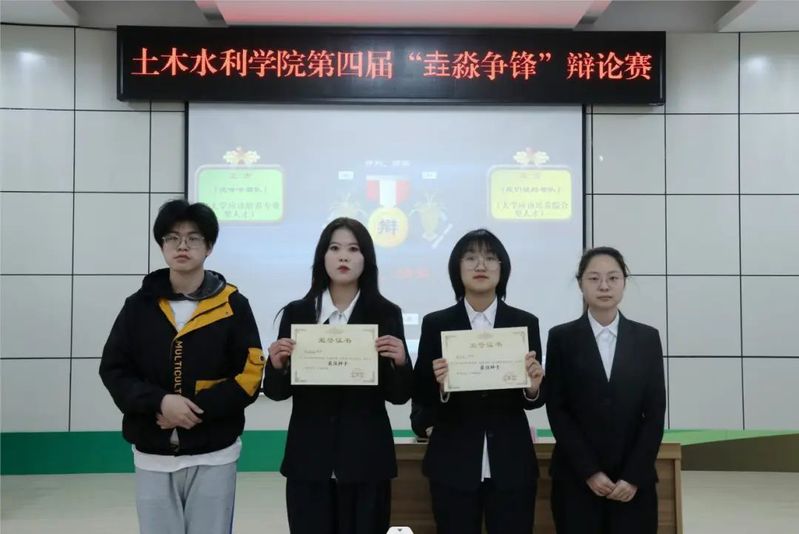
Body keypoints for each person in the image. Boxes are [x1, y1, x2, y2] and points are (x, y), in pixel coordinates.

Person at [99, 199, 265, 534]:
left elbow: (250, 374)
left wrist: (192, 410)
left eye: (193, 238)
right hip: (153, 452)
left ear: (209, 247)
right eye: (172, 238)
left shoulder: (232, 305)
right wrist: (160, 402)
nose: (182, 246)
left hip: (214, 452)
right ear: (162, 245)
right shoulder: (139, 306)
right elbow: (114, 369)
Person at [263, 217, 412, 534]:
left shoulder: (386, 313)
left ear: (366, 259)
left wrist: (400, 363)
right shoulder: (298, 313)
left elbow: (399, 396)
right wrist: (276, 365)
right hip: (309, 459)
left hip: (367, 460)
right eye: (335, 248)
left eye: (353, 249)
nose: (343, 256)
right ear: (322, 256)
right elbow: (277, 392)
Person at [412, 228, 545, 534]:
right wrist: (441, 388)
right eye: (471, 258)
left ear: (502, 268)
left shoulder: (524, 323)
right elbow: (419, 391)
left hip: (511, 462)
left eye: (490, 258)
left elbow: (533, 399)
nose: (481, 265)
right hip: (453, 463)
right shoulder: (437, 324)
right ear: (457, 269)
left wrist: (533, 388)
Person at [546, 246, 666, 534]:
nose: (604, 286)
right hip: (577, 480)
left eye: (613, 278)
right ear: (580, 284)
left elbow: (654, 413)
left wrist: (633, 476)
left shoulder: (647, 338)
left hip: (632, 483)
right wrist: (589, 471)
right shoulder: (561, 338)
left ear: (624, 282)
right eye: (594, 278)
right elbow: (558, 411)